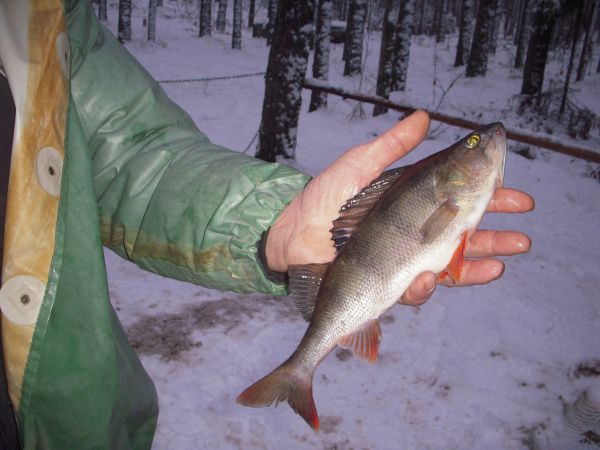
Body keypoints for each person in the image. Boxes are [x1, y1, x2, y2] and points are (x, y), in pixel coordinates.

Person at [0, 0, 533, 448]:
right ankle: (299, 371)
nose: (485, 141)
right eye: (472, 145)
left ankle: (299, 369)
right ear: (451, 179)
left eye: (474, 145)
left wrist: (277, 219)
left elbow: (134, 155)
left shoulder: (41, 13)